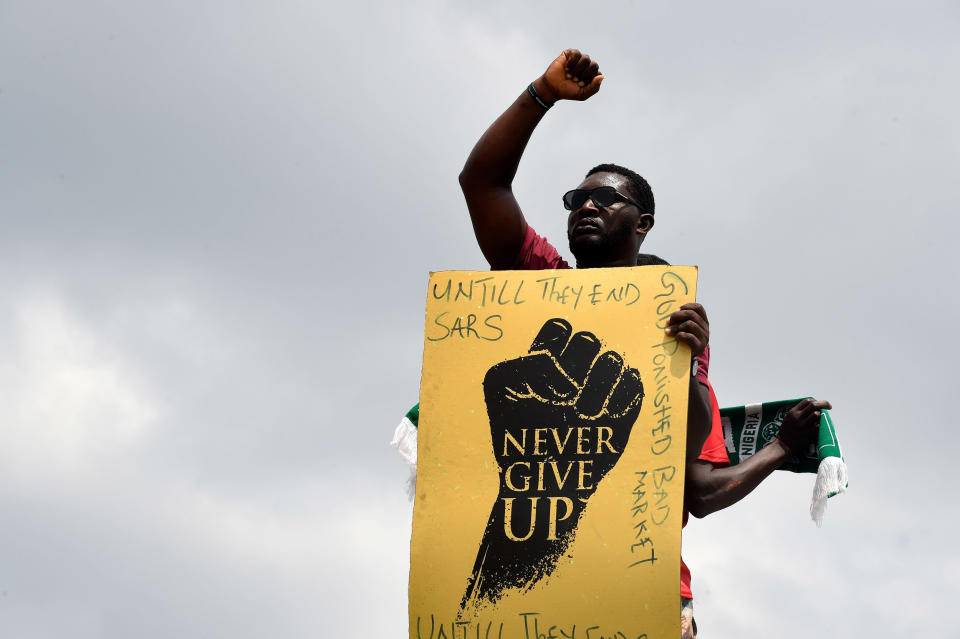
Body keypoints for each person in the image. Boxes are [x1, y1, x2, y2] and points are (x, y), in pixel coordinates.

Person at [457, 48, 831, 638]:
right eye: (575, 199)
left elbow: (700, 493)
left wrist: (778, 444)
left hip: (643, 590)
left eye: (606, 198)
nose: (585, 205)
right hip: (518, 596)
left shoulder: (677, 330)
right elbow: (481, 183)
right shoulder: (540, 284)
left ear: (644, 221)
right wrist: (541, 95)